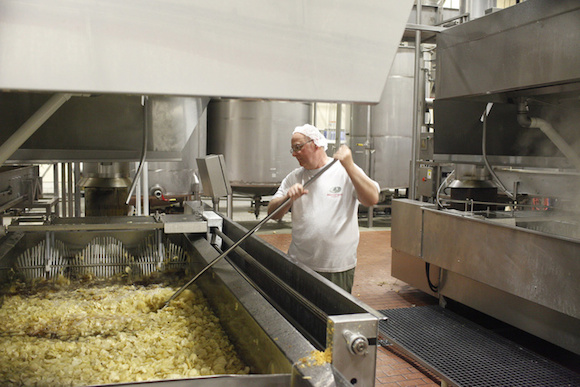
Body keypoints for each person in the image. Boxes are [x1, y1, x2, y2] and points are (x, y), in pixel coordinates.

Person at [267, 124, 380, 293]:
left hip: (336, 267)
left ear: (316, 143)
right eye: (293, 150)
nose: (295, 153)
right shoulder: (295, 177)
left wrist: (349, 165)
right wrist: (287, 199)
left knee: (334, 316)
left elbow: (372, 199)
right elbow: (272, 214)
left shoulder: (344, 171)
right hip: (300, 263)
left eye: (298, 147)